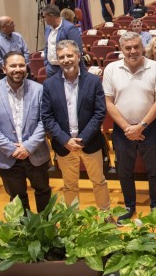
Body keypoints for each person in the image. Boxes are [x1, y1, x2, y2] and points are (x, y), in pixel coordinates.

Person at [103, 32, 156, 223]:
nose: (132, 51)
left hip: (150, 127)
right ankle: (129, 206)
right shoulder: (111, 69)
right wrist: (127, 127)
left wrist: (141, 126)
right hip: (122, 130)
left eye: (136, 47)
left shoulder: (155, 68)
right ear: (121, 49)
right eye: (128, 48)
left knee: (155, 170)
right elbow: (109, 102)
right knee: (124, 170)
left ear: (143, 47)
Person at [41, 40, 110, 211]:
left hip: (90, 142)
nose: (66, 60)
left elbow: (99, 113)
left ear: (78, 56)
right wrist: (65, 140)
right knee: (70, 185)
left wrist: (82, 139)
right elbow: (47, 117)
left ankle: (105, 215)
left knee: (98, 181)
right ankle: (73, 219)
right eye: (61, 57)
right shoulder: (49, 84)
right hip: (64, 145)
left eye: (69, 55)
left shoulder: (93, 81)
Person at [0, 51, 51, 212]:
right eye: (13, 65)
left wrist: (28, 147)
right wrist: (12, 149)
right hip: (7, 156)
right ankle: (25, 234)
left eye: (21, 65)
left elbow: (44, 121)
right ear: (4, 68)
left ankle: (46, 232)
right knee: (17, 198)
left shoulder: (39, 89)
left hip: (36, 153)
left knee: (43, 192)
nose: (17, 69)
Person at [42, 4, 83, 77]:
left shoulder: (70, 28)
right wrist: (46, 63)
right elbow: (46, 46)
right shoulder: (48, 28)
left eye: (44, 17)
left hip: (67, 67)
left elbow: (78, 50)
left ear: (51, 16)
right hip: (50, 68)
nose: (43, 19)